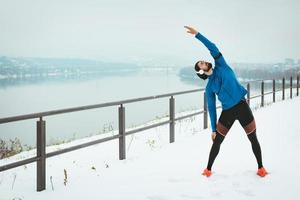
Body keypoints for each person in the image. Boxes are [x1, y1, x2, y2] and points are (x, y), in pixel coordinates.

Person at [184, 25, 268, 177]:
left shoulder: (221, 65)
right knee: (217, 142)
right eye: (201, 64)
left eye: (203, 61)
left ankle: (261, 168)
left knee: (253, 138)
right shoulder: (209, 88)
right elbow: (211, 108)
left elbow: (213, 47)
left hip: (242, 106)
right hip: (227, 112)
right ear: (201, 71)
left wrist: (198, 35)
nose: (204, 62)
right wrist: (213, 129)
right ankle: (208, 170)